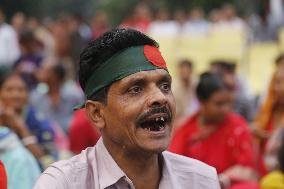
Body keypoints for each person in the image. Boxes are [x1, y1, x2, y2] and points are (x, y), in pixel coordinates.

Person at [34, 28, 220, 189]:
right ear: (97, 113)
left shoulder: (201, 181)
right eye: (136, 89)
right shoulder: (64, 184)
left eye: (164, 86)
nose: (159, 98)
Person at [169, 72, 258, 189]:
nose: (225, 109)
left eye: (228, 102)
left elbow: (248, 170)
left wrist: (222, 180)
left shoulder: (238, 126)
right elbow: (174, 166)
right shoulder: (186, 129)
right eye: (219, 104)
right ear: (202, 103)